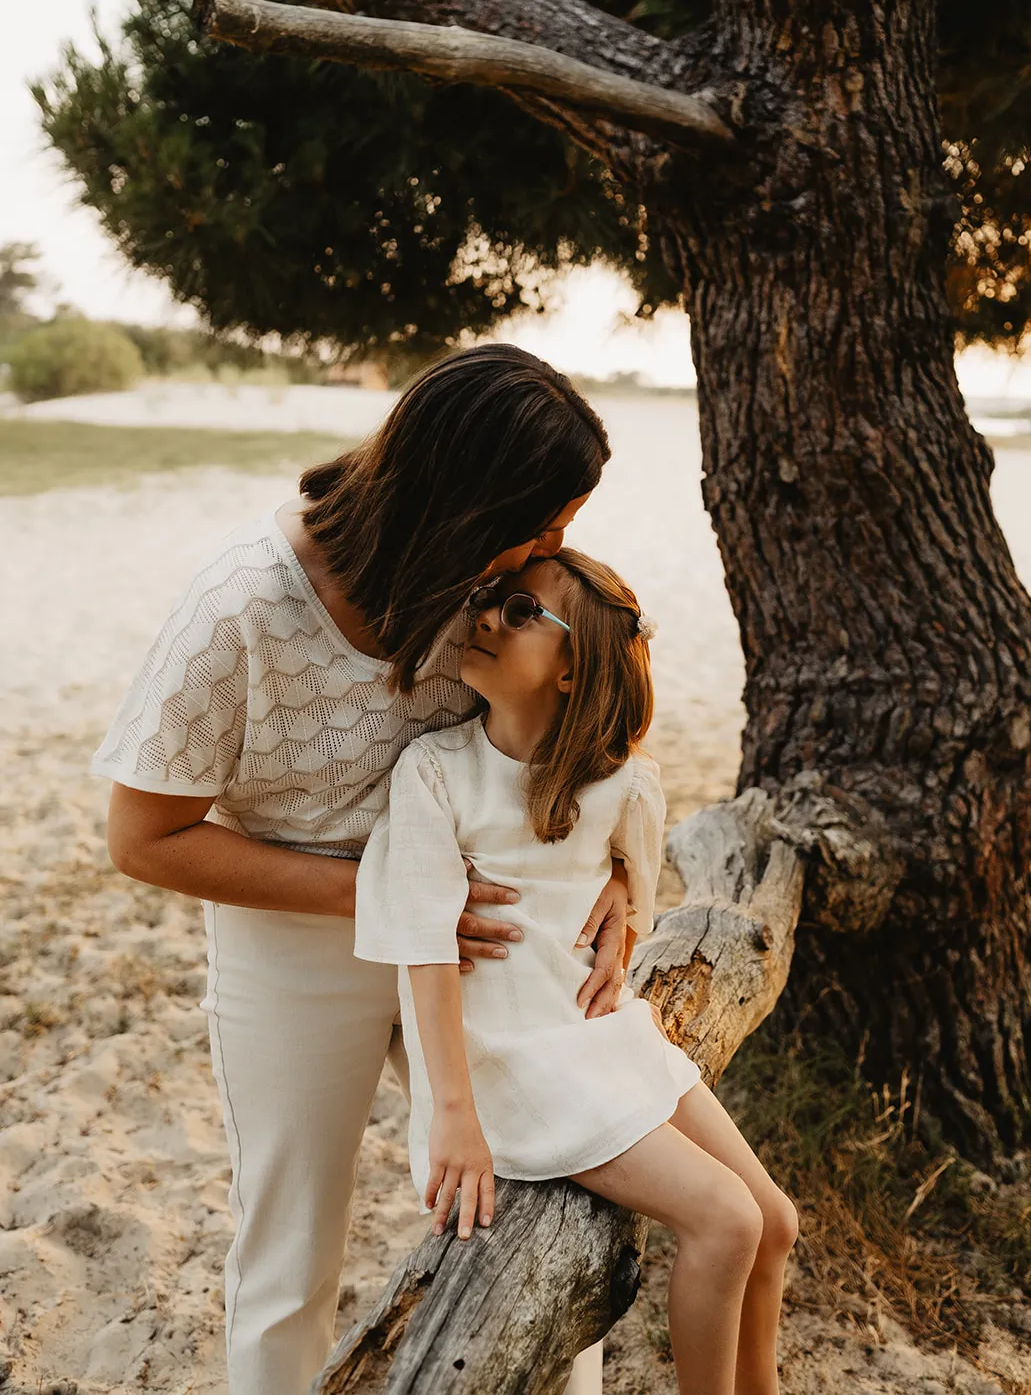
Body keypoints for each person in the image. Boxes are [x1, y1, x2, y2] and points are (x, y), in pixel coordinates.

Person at [92, 345, 623, 1395]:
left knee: (549, 1192)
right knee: (288, 1251)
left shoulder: (495, 586)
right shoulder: (242, 604)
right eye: (543, 522)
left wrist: (617, 876)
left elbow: (593, 692)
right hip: (296, 937)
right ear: (466, 501)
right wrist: (392, 900)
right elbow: (142, 838)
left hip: (479, 928)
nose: (553, 549)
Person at [354, 548, 800, 1395]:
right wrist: (452, 1115)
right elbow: (423, 947)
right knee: (725, 1222)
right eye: (491, 599)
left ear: (572, 670)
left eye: (523, 612)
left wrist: (623, 890)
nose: (487, 617)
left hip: (594, 1033)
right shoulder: (436, 773)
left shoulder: (618, 783)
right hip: (509, 1060)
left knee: (774, 1221)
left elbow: (628, 879)